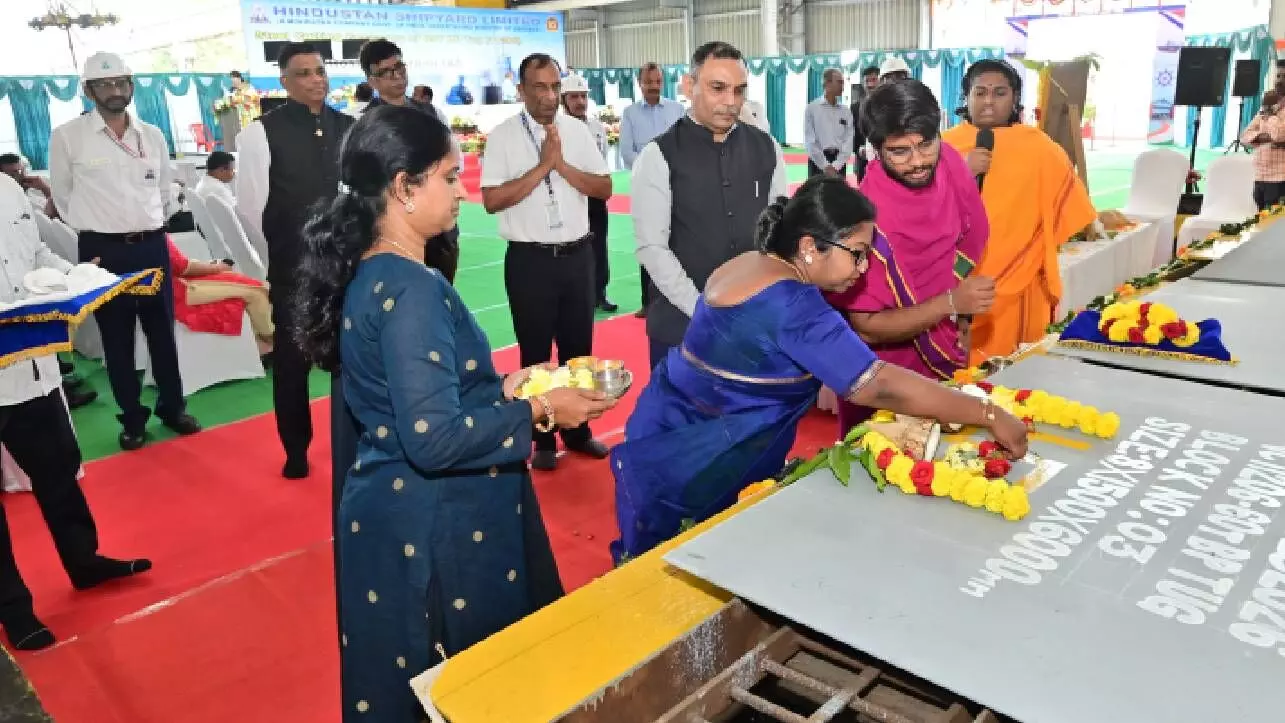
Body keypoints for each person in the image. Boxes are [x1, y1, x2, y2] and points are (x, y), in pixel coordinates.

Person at [293, 104, 612, 723]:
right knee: (465, 687)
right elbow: (432, 438)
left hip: (395, 510)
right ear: (402, 188)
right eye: (446, 176)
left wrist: (504, 389)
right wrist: (545, 409)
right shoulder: (413, 287)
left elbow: (407, 398)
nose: (462, 190)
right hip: (435, 525)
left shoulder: (376, 271)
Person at [610, 176, 1029, 561]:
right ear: (810, 247)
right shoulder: (793, 304)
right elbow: (877, 385)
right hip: (704, 454)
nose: (864, 269)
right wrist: (987, 414)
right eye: (859, 255)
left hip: (669, 425)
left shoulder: (753, 262)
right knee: (687, 563)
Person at [0, 173, 152, 651]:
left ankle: (84, 563)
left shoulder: (7, 190)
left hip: (30, 367)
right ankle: (13, 610)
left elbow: (36, 257)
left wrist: (82, 278)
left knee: (59, 467)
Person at [49, 51, 202, 451]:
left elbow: (167, 190)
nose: (115, 92)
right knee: (117, 339)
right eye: (105, 85)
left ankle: (173, 407)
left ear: (131, 86)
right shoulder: (68, 137)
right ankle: (132, 419)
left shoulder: (150, 134)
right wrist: (94, 231)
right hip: (103, 251)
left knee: (161, 334)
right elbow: (63, 197)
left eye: (121, 83)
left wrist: (150, 224)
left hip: (152, 245)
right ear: (88, 90)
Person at [828, 80, 992, 436]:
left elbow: (974, 230)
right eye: (899, 152)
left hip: (945, 337)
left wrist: (957, 299)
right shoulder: (865, 220)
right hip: (887, 367)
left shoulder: (947, 160)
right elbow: (868, 327)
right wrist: (950, 301)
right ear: (875, 150)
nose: (918, 162)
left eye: (925, 145)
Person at [480, 53, 613, 472]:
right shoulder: (503, 136)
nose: (549, 95)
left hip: (577, 258)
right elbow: (491, 200)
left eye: (555, 86)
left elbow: (604, 188)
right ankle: (540, 436)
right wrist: (542, 168)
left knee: (579, 354)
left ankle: (579, 432)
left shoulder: (577, 131)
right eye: (539, 87)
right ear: (521, 91)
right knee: (534, 355)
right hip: (530, 260)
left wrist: (561, 165)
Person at [236, 42, 354, 479]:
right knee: (292, 364)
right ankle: (296, 449)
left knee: (351, 358)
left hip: (344, 266)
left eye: (320, 71)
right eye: (303, 73)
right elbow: (250, 209)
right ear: (284, 81)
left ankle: (354, 440)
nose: (315, 79)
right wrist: (278, 258)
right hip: (293, 268)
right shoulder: (260, 133)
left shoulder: (349, 126)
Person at [632, 41, 788, 369]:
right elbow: (652, 248)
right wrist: (703, 308)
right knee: (682, 420)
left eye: (739, 90)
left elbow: (780, 230)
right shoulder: (657, 155)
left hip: (753, 325)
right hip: (682, 329)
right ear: (689, 86)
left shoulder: (767, 147)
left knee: (755, 419)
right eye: (718, 88)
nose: (730, 102)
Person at [942, 59, 1096, 364]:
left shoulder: (1039, 147)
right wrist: (960, 169)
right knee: (958, 371)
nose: (988, 101)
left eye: (999, 93)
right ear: (966, 97)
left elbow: (1070, 205)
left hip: (1022, 276)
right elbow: (916, 206)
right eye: (980, 92)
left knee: (1017, 367)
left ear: (1014, 99)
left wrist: (1034, 245)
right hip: (955, 274)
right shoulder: (943, 146)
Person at [620, 62, 685, 319]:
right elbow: (626, 152)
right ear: (640, 84)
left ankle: (677, 297)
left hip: (678, 187)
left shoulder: (676, 109)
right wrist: (653, 172)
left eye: (657, 81)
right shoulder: (630, 114)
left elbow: (684, 147)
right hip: (646, 189)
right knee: (650, 242)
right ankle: (648, 302)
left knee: (678, 242)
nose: (653, 87)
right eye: (648, 82)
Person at [561, 72, 617, 313]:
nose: (580, 102)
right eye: (574, 97)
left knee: (599, 247)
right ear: (564, 100)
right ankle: (576, 297)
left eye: (583, 96)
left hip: (594, 197)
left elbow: (601, 161)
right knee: (572, 249)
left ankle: (599, 292)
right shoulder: (558, 128)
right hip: (570, 197)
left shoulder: (596, 127)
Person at [166, 238, 273, 348]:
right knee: (257, 293)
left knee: (240, 280)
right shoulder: (154, 233)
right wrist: (218, 267)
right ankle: (273, 340)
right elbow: (184, 267)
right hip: (176, 293)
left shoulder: (151, 234)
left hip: (168, 287)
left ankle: (265, 339)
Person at [358, 39, 449, 126]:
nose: (397, 76)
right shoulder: (365, 122)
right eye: (386, 72)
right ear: (372, 82)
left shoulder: (432, 113)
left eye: (399, 66)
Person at [1240, 89, 1285, 210]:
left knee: (1275, 221)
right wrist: (1263, 136)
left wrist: (1270, 115)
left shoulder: (1270, 112)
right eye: (1278, 76)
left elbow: (1279, 135)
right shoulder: (1263, 111)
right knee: (1261, 219)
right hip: (1260, 176)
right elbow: (1244, 136)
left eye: (1283, 76)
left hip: (1279, 177)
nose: (1279, 80)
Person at [803, 68, 853, 178]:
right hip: (817, 163)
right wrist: (825, 166)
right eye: (839, 82)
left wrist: (836, 166)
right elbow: (810, 141)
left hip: (839, 163)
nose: (842, 86)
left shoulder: (846, 111)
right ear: (827, 83)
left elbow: (848, 141)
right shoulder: (812, 108)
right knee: (816, 195)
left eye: (843, 83)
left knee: (838, 195)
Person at [0, 155, 56, 219]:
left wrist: (44, 188)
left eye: (22, 171)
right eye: (13, 174)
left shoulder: (31, 195)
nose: (22, 176)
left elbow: (61, 208)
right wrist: (50, 217)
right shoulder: (9, 206)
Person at [850, 65, 880, 181]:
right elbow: (851, 133)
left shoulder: (888, 105)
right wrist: (857, 148)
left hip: (885, 160)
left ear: (881, 80)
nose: (870, 84)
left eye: (874, 80)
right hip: (863, 161)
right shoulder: (855, 107)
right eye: (867, 81)